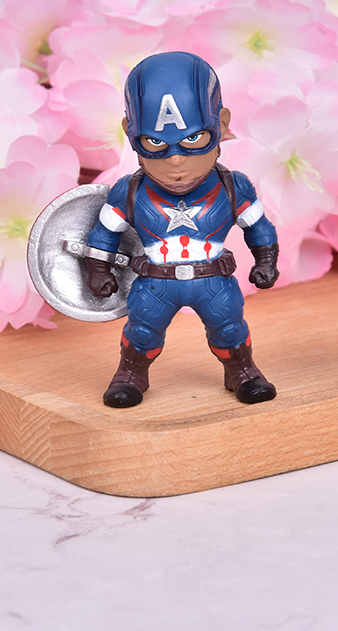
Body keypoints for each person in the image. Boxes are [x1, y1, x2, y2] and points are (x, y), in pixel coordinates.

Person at [85, 52, 280, 408]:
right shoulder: (129, 191)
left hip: (214, 282)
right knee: (142, 332)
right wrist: (98, 270)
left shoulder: (233, 187)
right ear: (130, 133)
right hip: (155, 284)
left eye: (194, 140)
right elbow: (103, 235)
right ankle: (130, 374)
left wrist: (266, 260)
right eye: (155, 144)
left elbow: (259, 228)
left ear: (222, 123)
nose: (175, 161)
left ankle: (242, 371)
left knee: (230, 328)